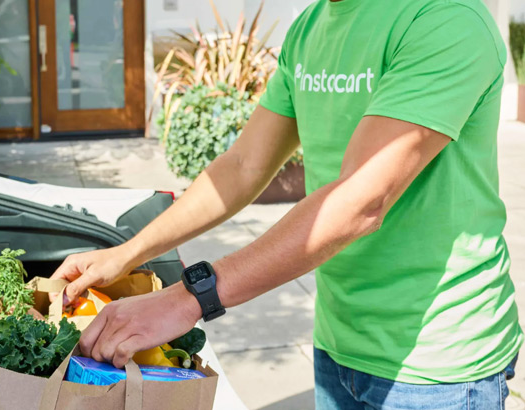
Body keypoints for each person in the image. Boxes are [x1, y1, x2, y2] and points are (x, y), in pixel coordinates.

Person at [50, 0, 523, 407]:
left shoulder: (443, 18)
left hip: (439, 363)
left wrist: (190, 297)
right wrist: (125, 253)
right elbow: (242, 167)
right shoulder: (312, 26)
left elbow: (360, 200)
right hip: (340, 344)